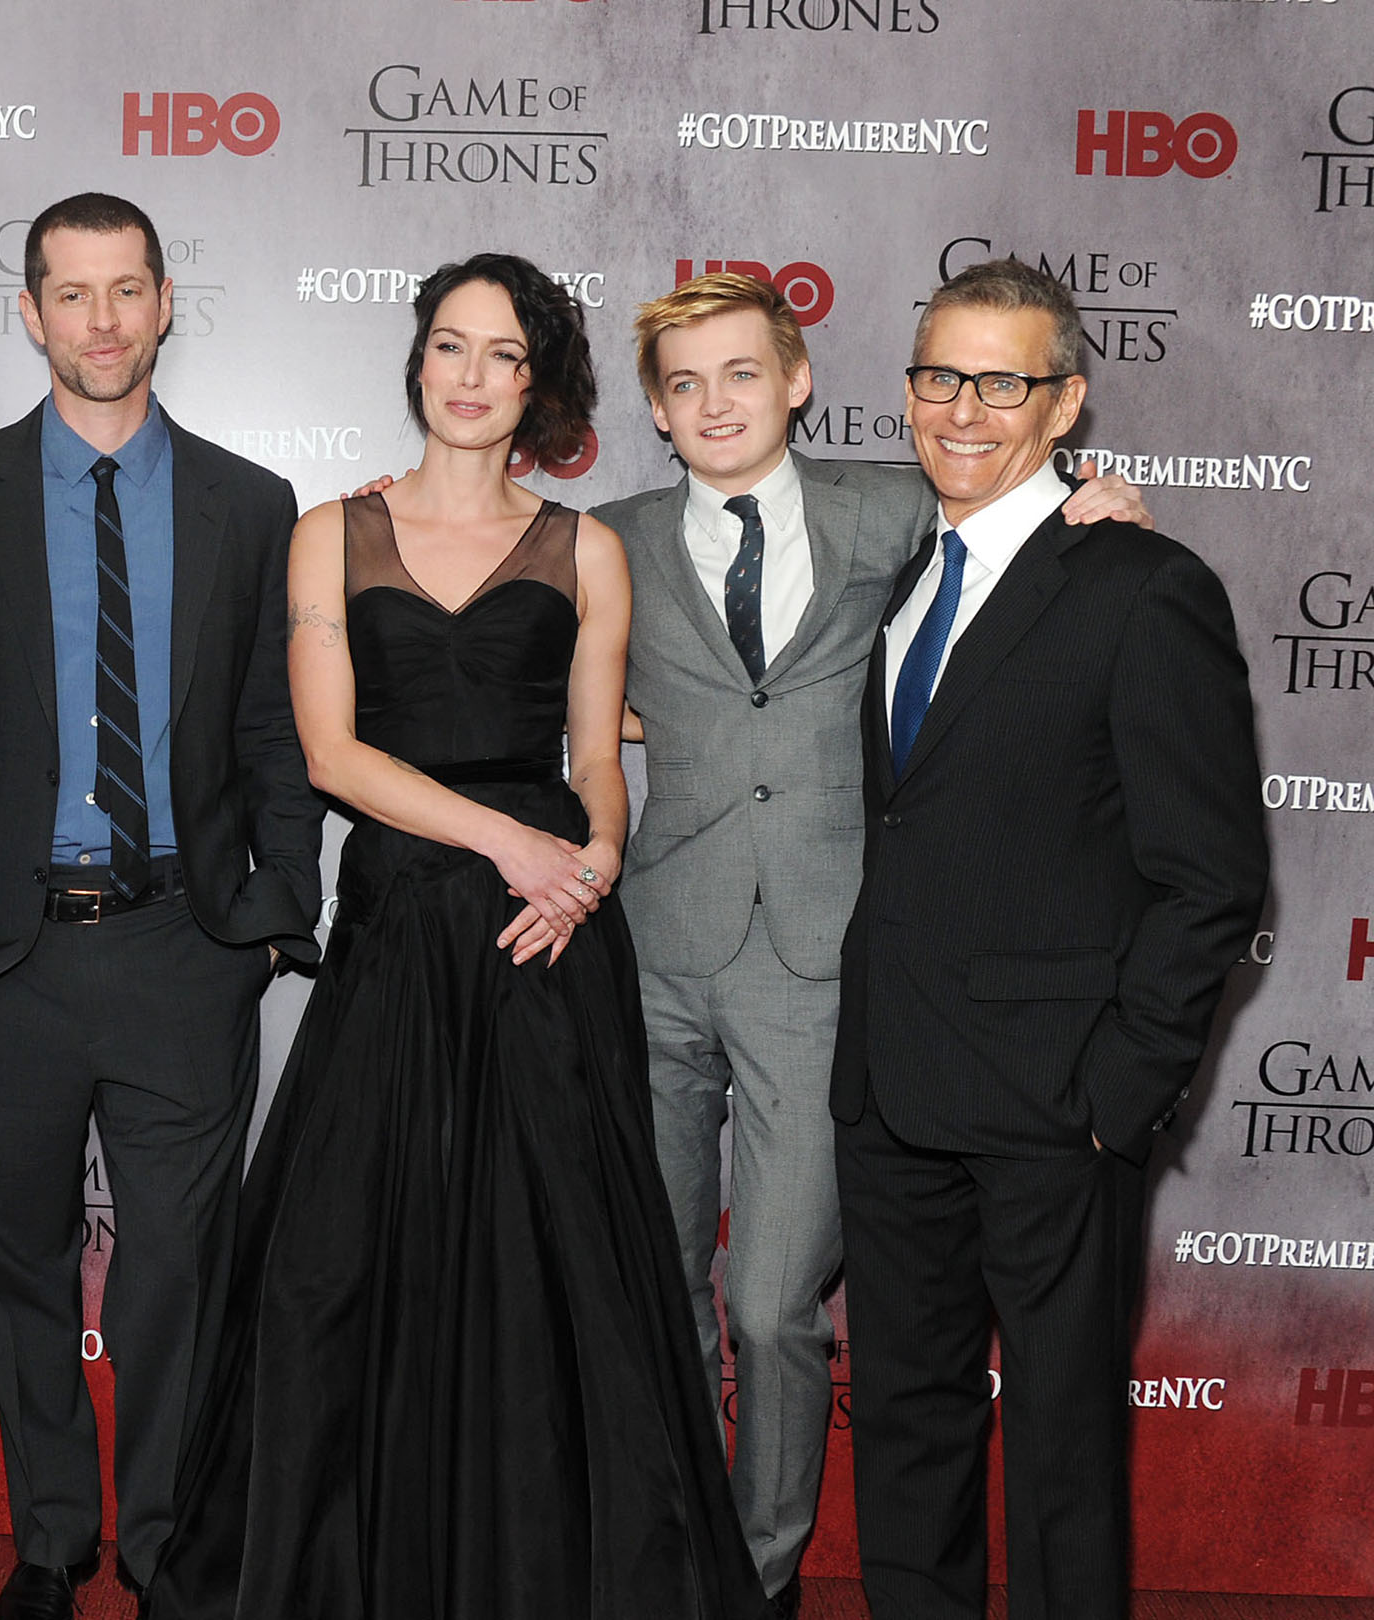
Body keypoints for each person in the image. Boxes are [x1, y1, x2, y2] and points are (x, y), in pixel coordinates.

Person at [152, 255, 763, 1620]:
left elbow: (596, 757)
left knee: (556, 1275)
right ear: (418, 361)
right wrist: (508, 842)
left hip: (546, 937)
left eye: (502, 354)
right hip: (406, 919)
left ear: (536, 384)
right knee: (337, 1264)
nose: (471, 375)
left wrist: (595, 859)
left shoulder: (587, 549)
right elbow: (330, 754)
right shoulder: (331, 531)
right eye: (449, 345)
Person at [595, 274, 1152, 1620]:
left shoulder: (897, 506)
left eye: (743, 372)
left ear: (797, 382)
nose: (714, 403)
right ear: (656, 409)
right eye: (684, 383)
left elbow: (1021, 533)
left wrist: (1103, 504)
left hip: (828, 959)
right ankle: (676, 1556)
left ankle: (760, 1570)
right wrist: (390, 503)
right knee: (657, 1290)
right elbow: (474, 598)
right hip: (657, 951)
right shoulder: (604, 539)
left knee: (775, 1304)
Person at [831, 258, 1266, 1620]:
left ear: (1065, 402)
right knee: (906, 1425)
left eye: (1000, 382)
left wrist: (1118, 1096)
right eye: (938, 376)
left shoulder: (1144, 586)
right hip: (892, 1087)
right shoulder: (910, 575)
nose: (961, 409)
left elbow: (1213, 877)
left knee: (1064, 1456)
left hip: (1056, 1106)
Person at [0, 192, 318, 1620]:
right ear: (31, 312)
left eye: (126, 289)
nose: (101, 320)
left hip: (180, 947)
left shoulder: (250, 504)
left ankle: (160, 1546)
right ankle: (50, 1541)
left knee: (177, 1276)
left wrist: (271, 911)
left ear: (164, 304)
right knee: (14, 1267)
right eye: (71, 294)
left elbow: (275, 727)